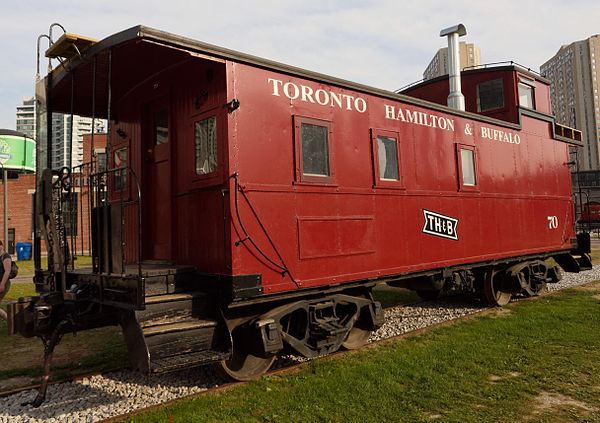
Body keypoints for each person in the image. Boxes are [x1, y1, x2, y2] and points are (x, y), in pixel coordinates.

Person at [0, 240, 12, 321]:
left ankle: (11, 321)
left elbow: (7, 271)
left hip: (3, 283)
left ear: (1, 246)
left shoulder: (6, 256)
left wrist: (2, 284)